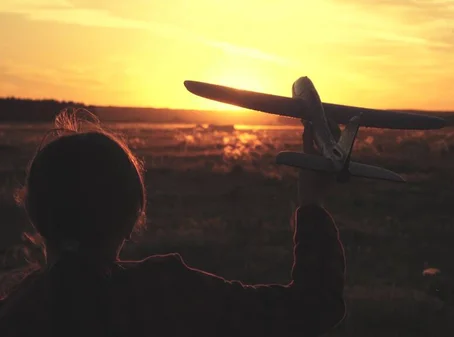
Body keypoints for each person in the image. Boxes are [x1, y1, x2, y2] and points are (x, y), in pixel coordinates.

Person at [0, 110, 346, 337]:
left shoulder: (16, 313)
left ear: (33, 211)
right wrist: (311, 202)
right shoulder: (168, 294)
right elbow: (312, 307)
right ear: (134, 215)